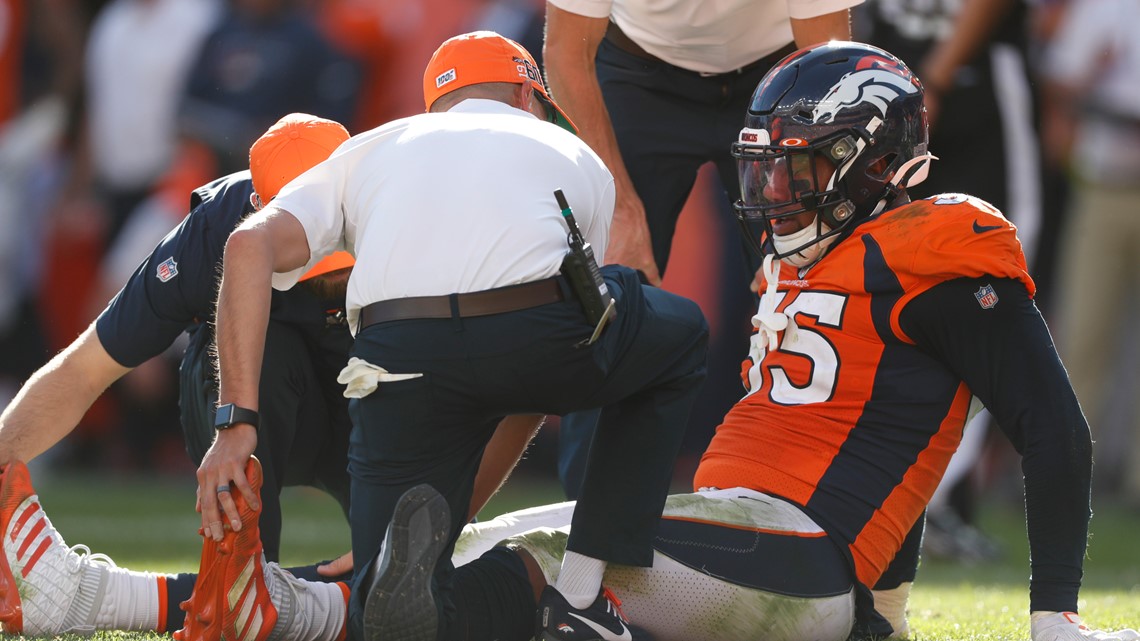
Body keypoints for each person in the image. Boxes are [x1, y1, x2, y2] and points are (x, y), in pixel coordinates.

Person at [195, 29, 708, 641]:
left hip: (393, 355)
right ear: (527, 94)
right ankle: (584, 592)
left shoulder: (375, 148)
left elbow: (247, 245)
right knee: (677, 332)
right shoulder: (570, 152)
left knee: (384, 600)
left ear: (435, 107)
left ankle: (405, 572)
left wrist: (235, 424)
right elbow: (560, 346)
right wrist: (461, 510)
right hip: (536, 328)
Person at [0, 111, 544, 636]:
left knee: (402, 593)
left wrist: (444, 516)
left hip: (384, 416)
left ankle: (123, 596)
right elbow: (83, 369)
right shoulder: (211, 235)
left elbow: (520, 386)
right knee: (256, 348)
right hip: (260, 419)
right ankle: (245, 578)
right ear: (259, 211)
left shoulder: (418, 221)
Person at [542, 0, 862, 499]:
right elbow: (564, 52)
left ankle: (807, 501)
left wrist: (799, 222)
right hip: (637, 73)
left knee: (809, 284)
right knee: (608, 294)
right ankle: (591, 522)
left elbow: (829, 64)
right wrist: (621, 208)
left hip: (780, 75)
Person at [1041, 0, 1140, 510]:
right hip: (1104, 184)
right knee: (1085, 335)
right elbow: (1058, 82)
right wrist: (1088, 83)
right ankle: (1068, 473)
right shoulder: (1105, 7)